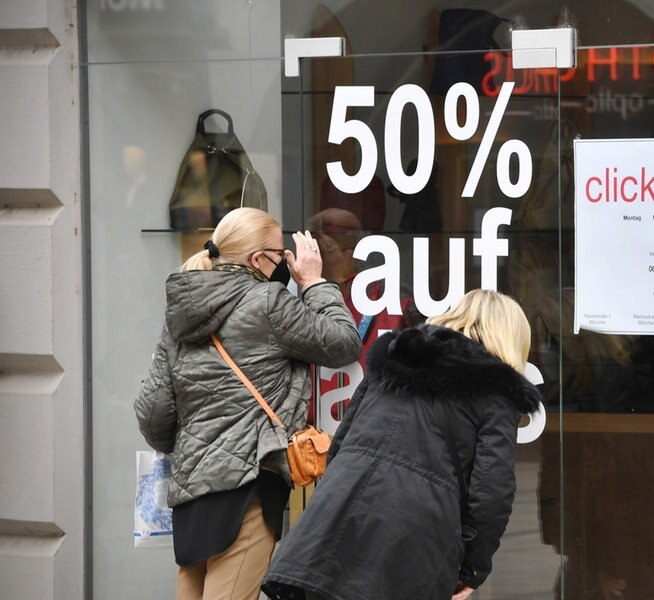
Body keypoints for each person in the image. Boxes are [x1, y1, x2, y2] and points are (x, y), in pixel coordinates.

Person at [135, 207, 362, 600]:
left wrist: (198, 441)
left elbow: (153, 415)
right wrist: (313, 281)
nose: (286, 262)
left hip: (192, 496)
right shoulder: (268, 302)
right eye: (280, 253)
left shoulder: (182, 316)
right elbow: (343, 342)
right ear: (259, 260)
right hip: (248, 491)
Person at [261, 289, 542, 600]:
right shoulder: (497, 395)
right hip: (414, 540)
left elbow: (342, 441)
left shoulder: (394, 359)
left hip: (337, 518)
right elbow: (492, 493)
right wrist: (472, 569)